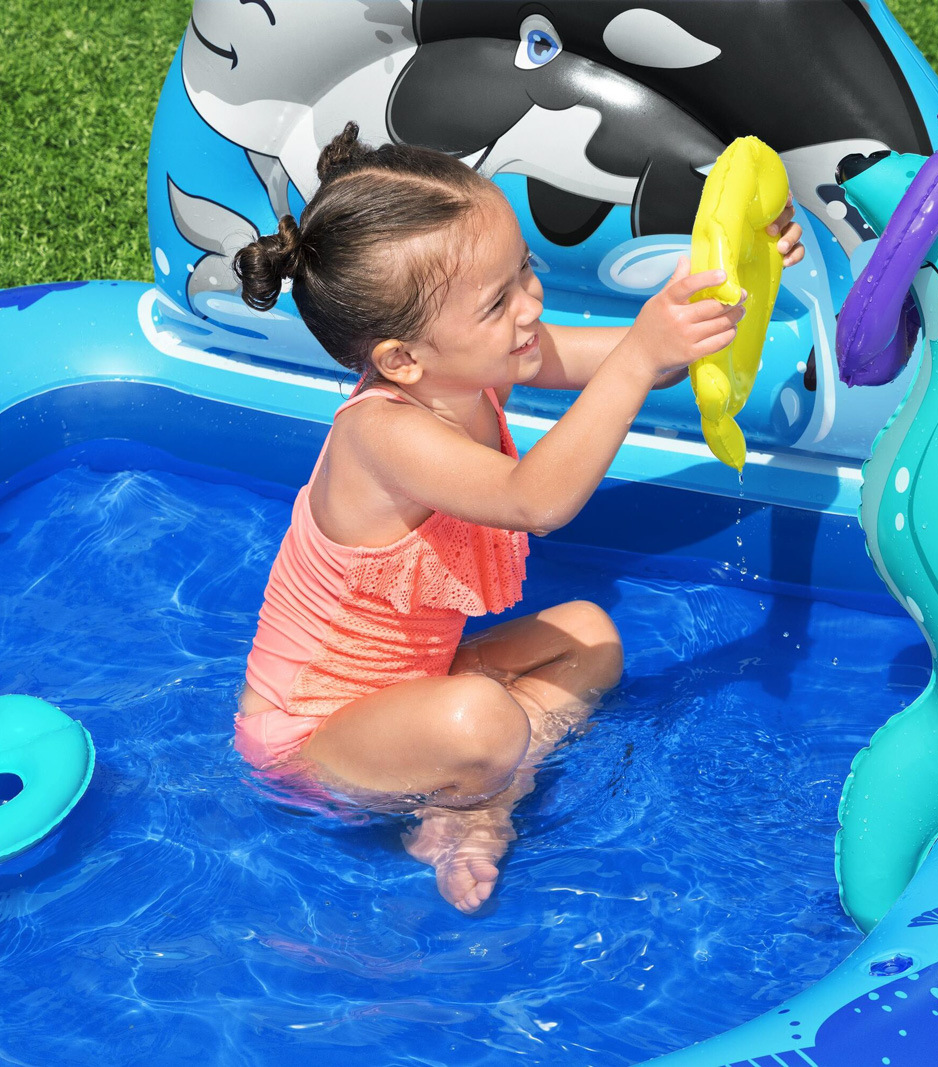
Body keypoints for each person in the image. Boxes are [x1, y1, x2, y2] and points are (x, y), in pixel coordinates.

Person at [231, 123, 805, 913]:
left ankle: (477, 790)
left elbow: (647, 358)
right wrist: (643, 354)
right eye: (499, 301)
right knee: (484, 719)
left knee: (590, 636)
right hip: (312, 741)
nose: (532, 304)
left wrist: (735, 274)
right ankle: (479, 800)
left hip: (414, 693)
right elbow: (538, 498)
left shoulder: (477, 363)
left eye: (524, 270)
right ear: (403, 359)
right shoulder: (381, 434)